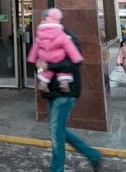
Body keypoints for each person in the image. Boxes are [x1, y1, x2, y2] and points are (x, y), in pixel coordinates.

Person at [36, 28, 101, 171]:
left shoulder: (67, 38)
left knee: (56, 133)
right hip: (52, 92)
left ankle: (57, 169)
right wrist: (40, 70)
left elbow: (73, 63)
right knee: (58, 130)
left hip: (65, 93)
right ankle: (92, 154)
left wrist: (49, 65)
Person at [27, 9, 83, 93]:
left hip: (64, 94)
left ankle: (44, 83)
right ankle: (63, 83)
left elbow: (73, 65)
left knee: (46, 74)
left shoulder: (40, 35)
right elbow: (75, 57)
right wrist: (39, 66)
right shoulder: (64, 36)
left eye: (42, 19)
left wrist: (39, 63)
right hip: (55, 90)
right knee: (63, 76)